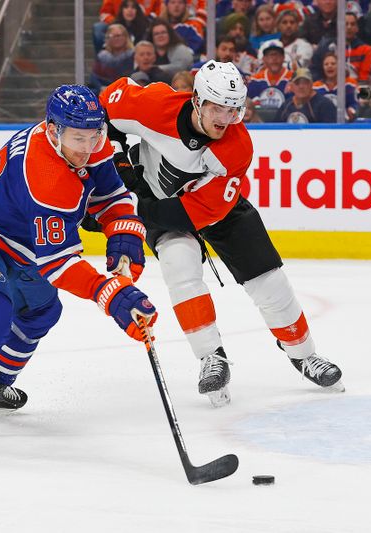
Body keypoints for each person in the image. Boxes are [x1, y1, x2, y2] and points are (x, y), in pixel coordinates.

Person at [0, 84, 158, 440]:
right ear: (54, 130)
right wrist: (112, 295)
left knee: (42, 311)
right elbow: (58, 265)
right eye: (79, 138)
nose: (88, 148)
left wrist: (124, 234)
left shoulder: (87, 141)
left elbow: (110, 195)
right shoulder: (45, 176)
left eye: (94, 135)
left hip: (20, 235)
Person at [99, 61, 344, 406]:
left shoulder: (236, 145)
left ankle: (304, 354)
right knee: (180, 270)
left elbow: (196, 212)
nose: (224, 119)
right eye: (217, 108)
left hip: (214, 211)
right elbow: (105, 106)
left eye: (232, 110)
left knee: (269, 282)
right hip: (159, 199)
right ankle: (210, 358)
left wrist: (136, 203)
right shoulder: (154, 105)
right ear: (197, 100)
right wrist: (116, 155)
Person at [248, 40, 293, 113]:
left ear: (283, 57)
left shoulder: (293, 79)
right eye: (270, 55)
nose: (274, 58)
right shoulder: (255, 80)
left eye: (277, 54)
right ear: (264, 59)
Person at [90, 23, 135, 93]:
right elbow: (94, 77)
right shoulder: (102, 56)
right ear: (107, 38)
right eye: (112, 36)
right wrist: (101, 88)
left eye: (118, 36)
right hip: (105, 91)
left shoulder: (133, 55)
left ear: (126, 37)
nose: (116, 38)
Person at [314, 51, 358, 120]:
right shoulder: (316, 86)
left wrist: (352, 110)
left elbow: (354, 103)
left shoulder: (349, 83)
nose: (329, 66)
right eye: (326, 64)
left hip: (345, 124)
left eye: (333, 63)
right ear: (323, 68)